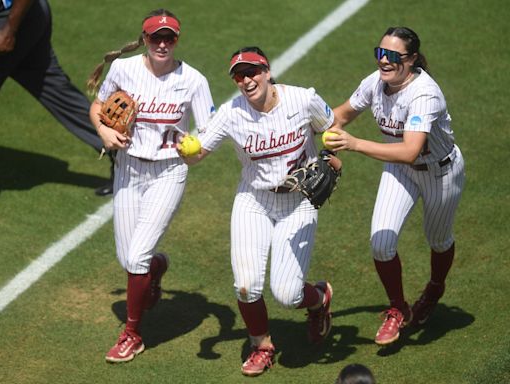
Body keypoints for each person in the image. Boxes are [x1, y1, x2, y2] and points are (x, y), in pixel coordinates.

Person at [179, 47, 340, 376]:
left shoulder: (302, 99)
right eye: (238, 75)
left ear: (267, 71)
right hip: (254, 201)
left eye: (252, 71)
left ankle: (319, 298)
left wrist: (332, 161)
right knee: (246, 286)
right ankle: (261, 345)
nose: (246, 80)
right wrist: (184, 149)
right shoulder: (230, 113)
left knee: (287, 293)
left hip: (298, 202)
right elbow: (197, 153)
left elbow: (332, 129)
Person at [87, 9, 215, 363]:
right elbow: (98, 106)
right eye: (155, 37)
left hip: (168, 172)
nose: (162, 44)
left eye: (169, 38)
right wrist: (103, 130)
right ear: (144, 39)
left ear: (177, 39)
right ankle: (156, 268)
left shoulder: (193, 81)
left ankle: (132, 334)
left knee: (137, 255)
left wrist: (196, 153)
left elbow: (208, 132)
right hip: (128, 169)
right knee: (128, 258)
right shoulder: (123, 69)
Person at [325, 27, 465, 346]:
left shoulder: (424, 94)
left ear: (412, 59)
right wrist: (305, 133)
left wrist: (354, 144)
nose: (383, 62)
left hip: (440, 173)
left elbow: (410, 150)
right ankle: (398, 308)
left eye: (392, 56)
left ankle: (434, 288)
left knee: (438, 239)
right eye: (379, 53)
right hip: (399, 171)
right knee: (381, 242)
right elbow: (341, 115)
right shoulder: (374, 83)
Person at [0, 0, 114, 196]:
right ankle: (123, 154)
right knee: (56, 92)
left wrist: (9, 29)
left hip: (11, 19)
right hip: (26, 16)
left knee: (55, 90)